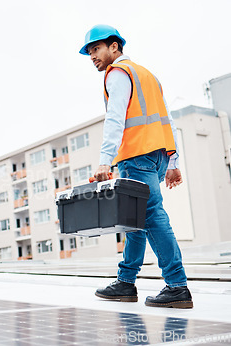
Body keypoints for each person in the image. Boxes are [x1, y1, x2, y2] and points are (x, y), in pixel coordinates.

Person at [79, 24, 193, 309]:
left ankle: (177, 286)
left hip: (137, 156)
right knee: (134, 220)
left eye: (96, 49)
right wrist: (173, 160)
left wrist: (106, 161)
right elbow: (168, 119)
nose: (93, 56)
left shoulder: (117, 74)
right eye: (90, 52)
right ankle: (126, 282)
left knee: (151, 216)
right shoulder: (147, 75)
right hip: (157, 156)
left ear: (114, 47)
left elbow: (115, 118)